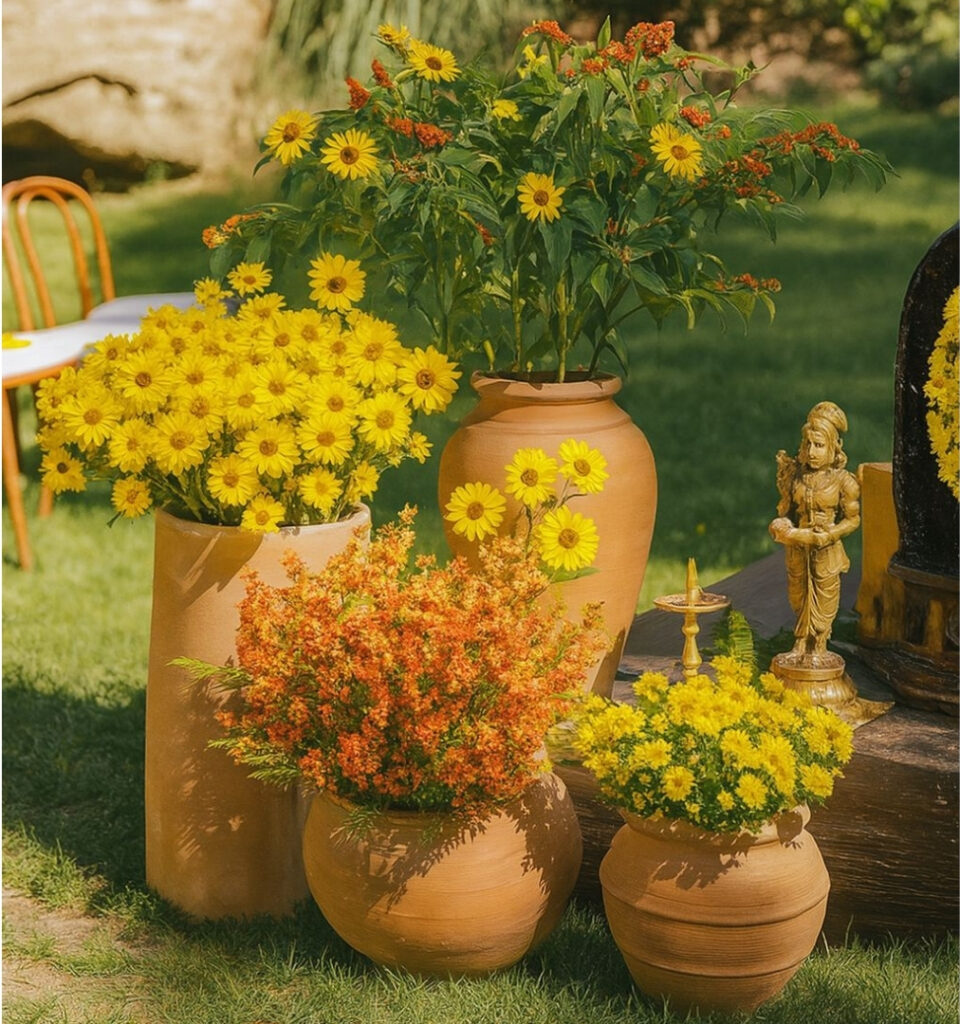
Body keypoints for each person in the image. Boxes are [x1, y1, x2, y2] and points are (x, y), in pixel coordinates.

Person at [769, 402, 861, 660]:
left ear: (833, 448)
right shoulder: (795, 476)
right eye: (807, 444)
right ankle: (800, 640)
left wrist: (830, 534)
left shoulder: (844, 481)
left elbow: (853, 519)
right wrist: (783, 525)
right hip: (798, 546)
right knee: (798, 593)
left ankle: (819, 643)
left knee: (824, 595)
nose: (811, 451)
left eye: (819, 445)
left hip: (826, 548)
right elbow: (785, 512)